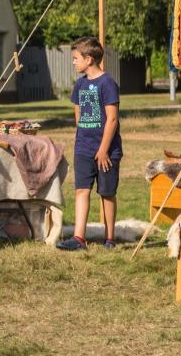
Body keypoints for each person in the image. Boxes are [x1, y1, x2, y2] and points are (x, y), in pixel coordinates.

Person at [57, 37, 123, 251]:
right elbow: (78, 116)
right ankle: (79, 238)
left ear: (89, 59)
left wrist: (103, 150)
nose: (74, 63)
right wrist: (83, 143)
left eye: (76, 58)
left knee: (106, 192)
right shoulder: (80, 84)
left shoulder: (108, 83)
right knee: (81, 190)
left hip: (107, 151)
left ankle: (110, 238)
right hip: (83, 150)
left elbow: (112, 119)